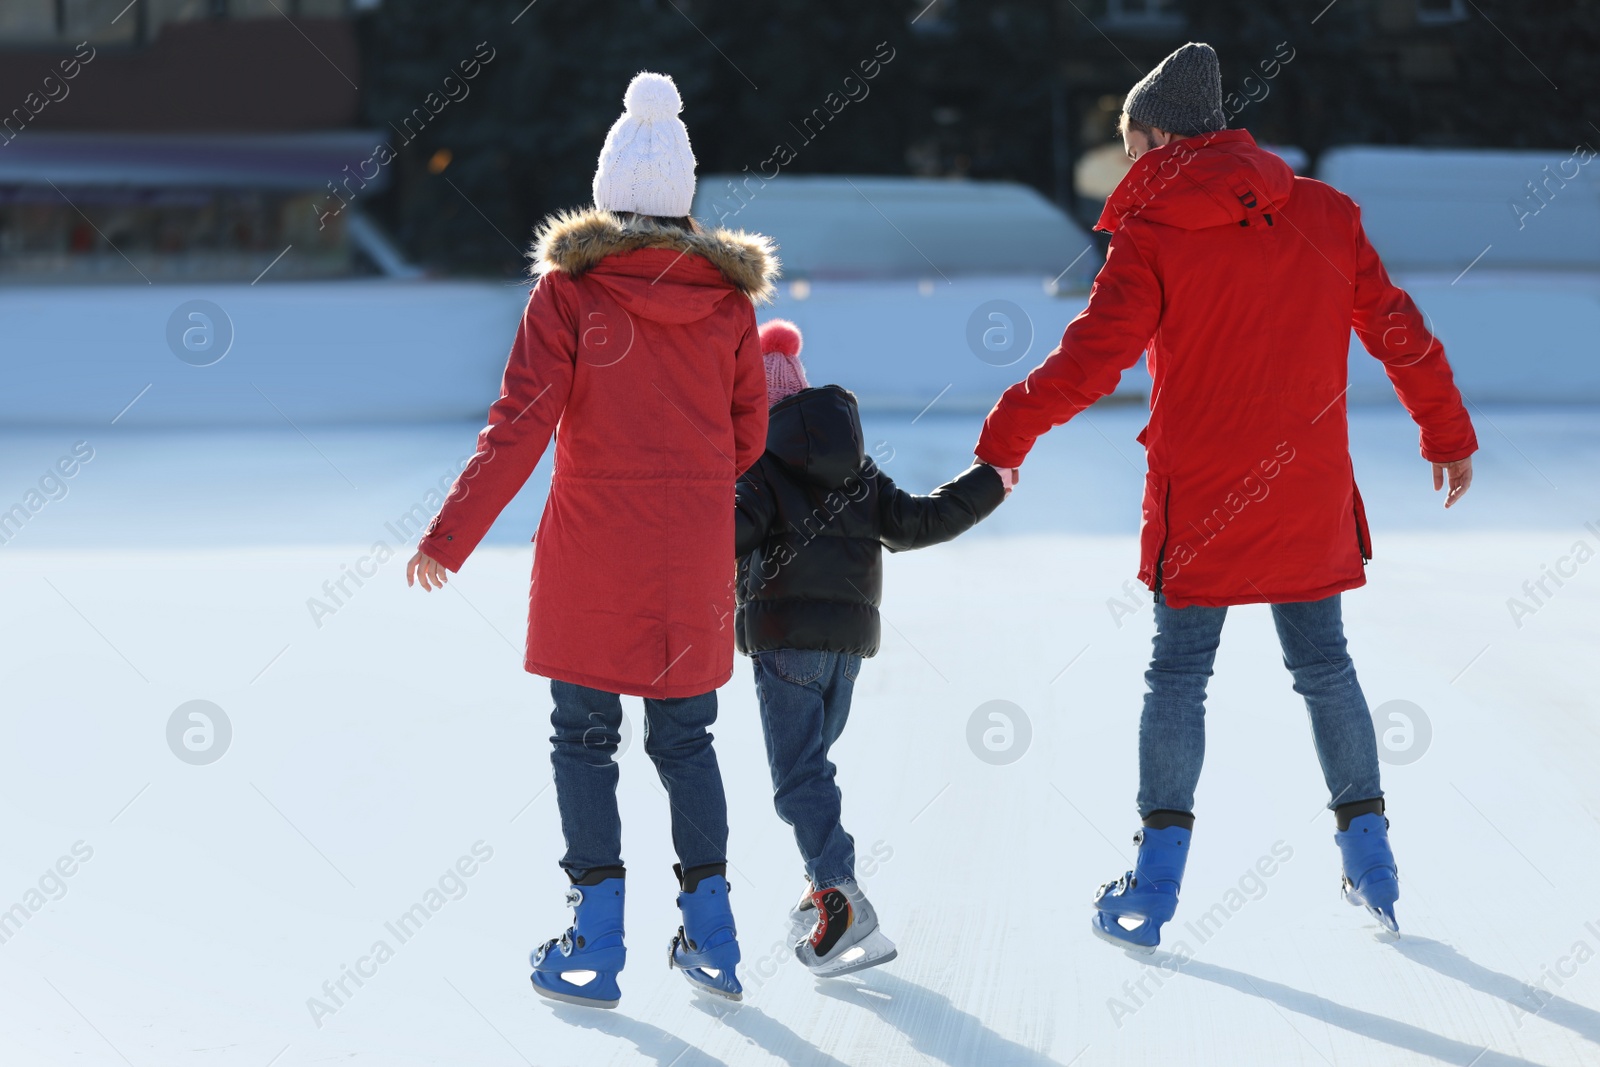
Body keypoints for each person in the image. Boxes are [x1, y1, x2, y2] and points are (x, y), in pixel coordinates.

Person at [974, 42, 1477, 950]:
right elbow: (1396, 327)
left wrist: (1008, 431)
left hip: (1202, 497)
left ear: (1162, 132)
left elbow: (1093, 359)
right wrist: (1444, 428)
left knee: (1177, 673)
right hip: (1307, 490)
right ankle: (1373, 859)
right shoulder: (1323, 215)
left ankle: (1157, 881)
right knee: (1324, 666)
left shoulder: (1156, 234)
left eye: (1132, 145)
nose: (1129, 164)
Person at [405, 71, 777, 1005]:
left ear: (609, 193)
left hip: (592, 548)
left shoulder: (569, 296)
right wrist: (690, 487)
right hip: (692, 549)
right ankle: (715, 934)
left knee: (584, 737)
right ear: (683, 200)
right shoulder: (729, 307)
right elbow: (747, 436)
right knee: (688, 739)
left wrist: (450, 537)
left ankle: (597, 939)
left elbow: (520, 425)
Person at [734, 318, 1008, 976]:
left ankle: (841, 898)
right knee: (814, 771)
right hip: (846, 650)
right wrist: (990, 479)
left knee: (797, 779)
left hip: (785, 643)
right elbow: (918, 520)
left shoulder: (758, 466)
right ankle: (824, 886)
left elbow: (720, 536)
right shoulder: (855, 465)